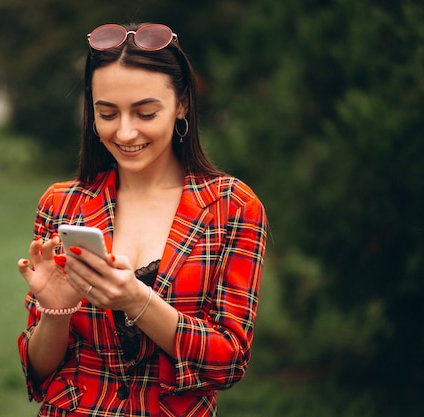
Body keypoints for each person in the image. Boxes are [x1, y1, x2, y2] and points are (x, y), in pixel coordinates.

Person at [17, 22, 267, 416]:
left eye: (145, 112)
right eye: (108, 113)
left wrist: (136, 299)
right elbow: (39, 370)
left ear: (182, 103)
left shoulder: (231, 207)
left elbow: (229, 361)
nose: (126, 131)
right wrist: (55, 311)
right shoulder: (62, 203)